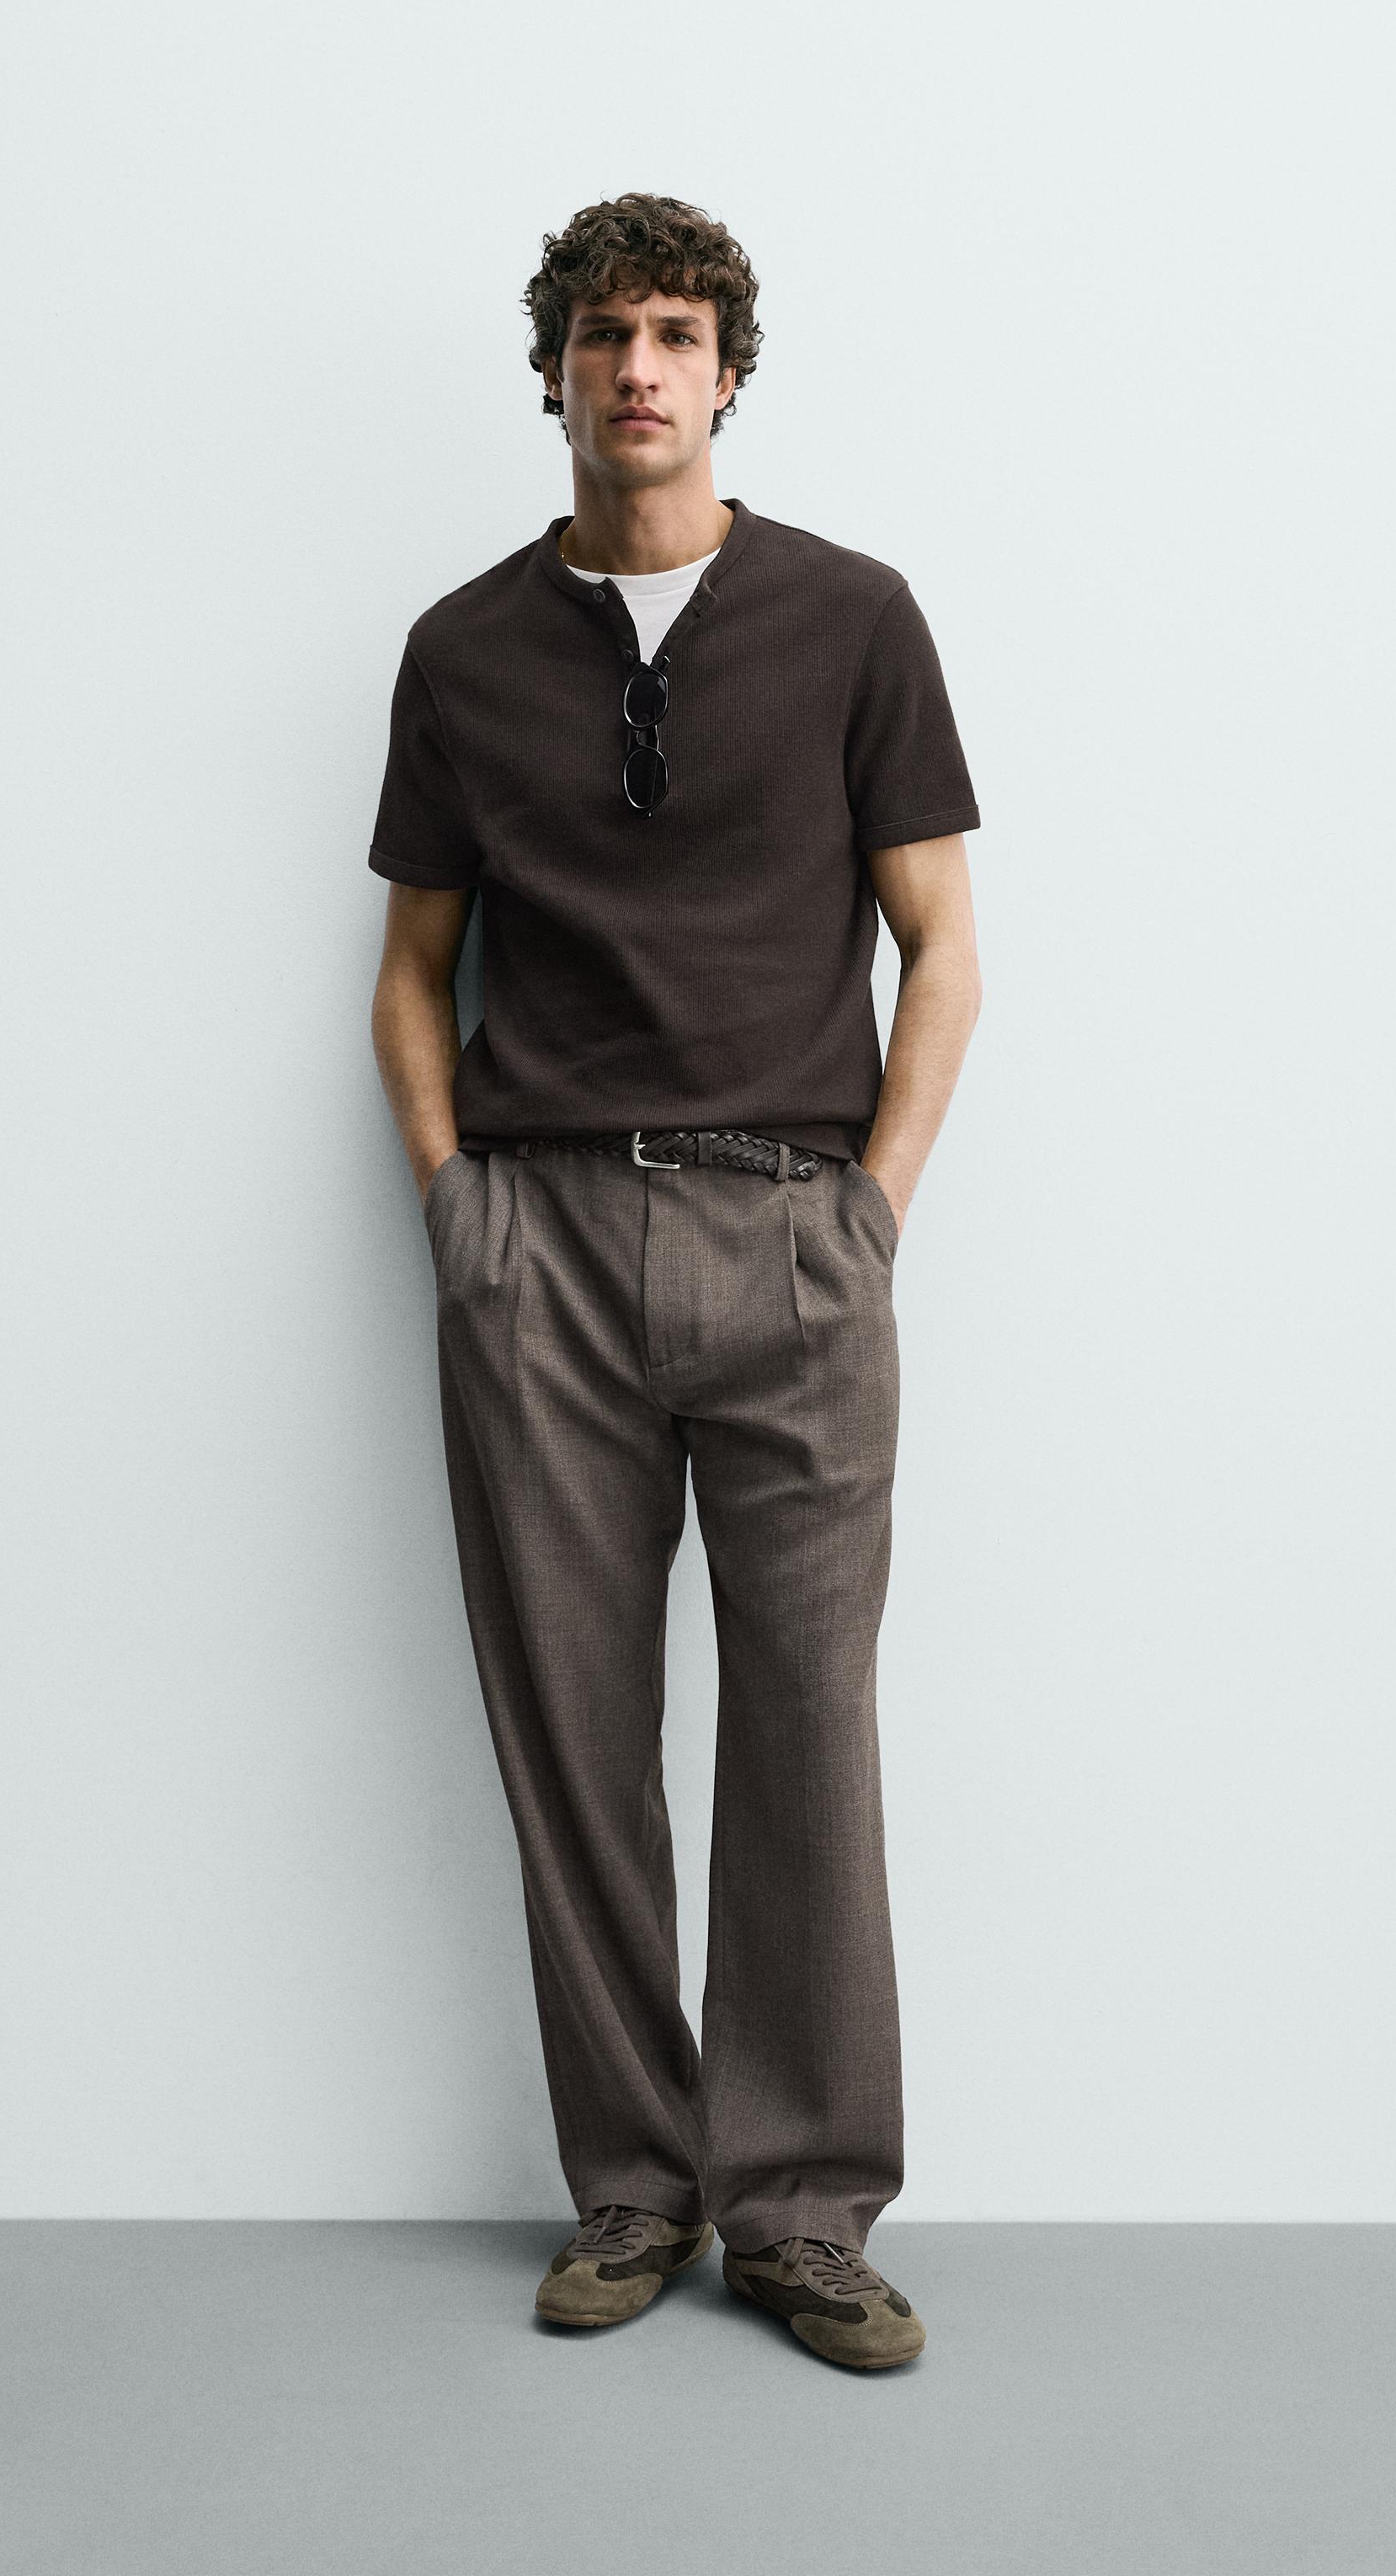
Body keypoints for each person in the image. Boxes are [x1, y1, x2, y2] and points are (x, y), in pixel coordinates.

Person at [367, 192, 983, 2371]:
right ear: (553, 368)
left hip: (793, 1229)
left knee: (808, 1730)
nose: (639, 368)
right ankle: (635, 2184)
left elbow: (944, 947)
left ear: (729, 371)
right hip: (540, 1246)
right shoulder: (462, 651)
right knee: (574, 1733)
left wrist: (869, 1210)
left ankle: (802, 2209)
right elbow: (413, 971)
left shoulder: (853, 619)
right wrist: (458, 1211)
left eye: (678, 334)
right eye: (605, 333)